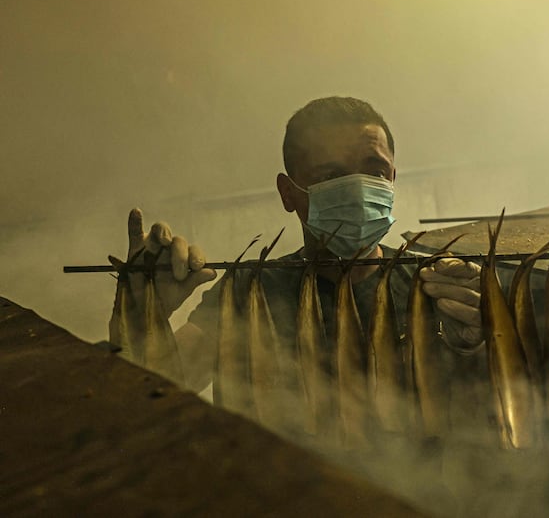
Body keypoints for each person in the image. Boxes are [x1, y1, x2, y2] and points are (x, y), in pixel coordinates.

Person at [116, 96, 487, 398]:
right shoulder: (248, 292)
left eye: (374, 171)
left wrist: (482, 341)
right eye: (330, 175)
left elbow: (498, 416)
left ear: (393, 177)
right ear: (288, 192)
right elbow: (155, 391)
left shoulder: (435, 285)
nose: (357, 187)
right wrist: (140, 318)